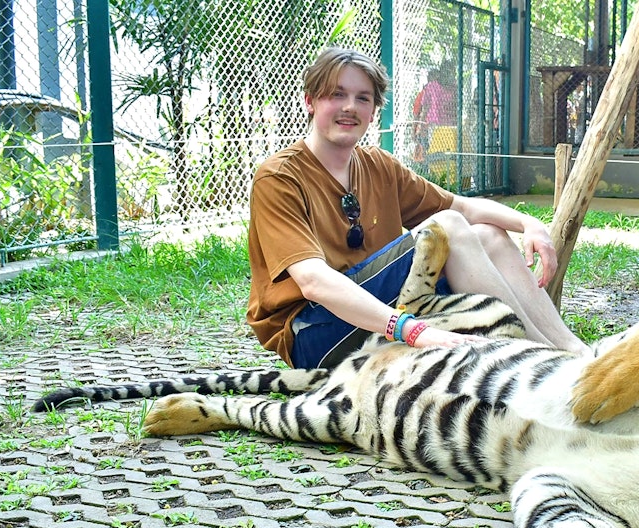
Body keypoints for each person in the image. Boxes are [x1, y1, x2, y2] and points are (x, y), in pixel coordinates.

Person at [247, 47, 587, 369]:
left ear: (373, 110)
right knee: (448, 228)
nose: (350, 107)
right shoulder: (279, 177)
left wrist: (529, 224)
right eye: (336, 94)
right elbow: (313, 282)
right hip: (314, 334)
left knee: (488, 234)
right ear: (310, 101)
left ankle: (574, 351)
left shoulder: (378, 165)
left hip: (380, 311)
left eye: (362, 98)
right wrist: (411, 329)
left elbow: (463, 207)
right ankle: (544, 358)